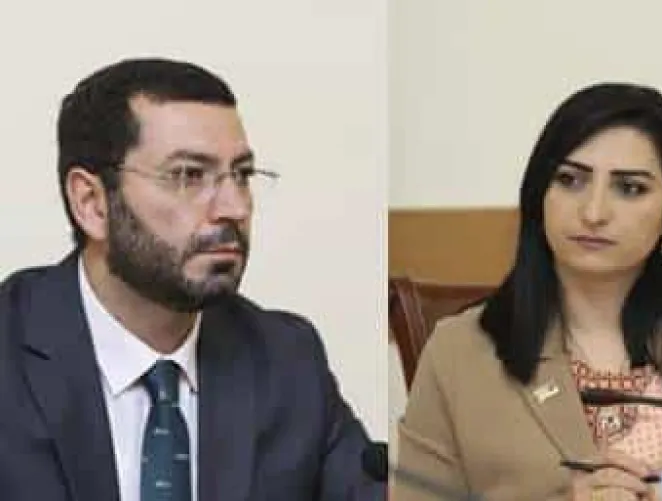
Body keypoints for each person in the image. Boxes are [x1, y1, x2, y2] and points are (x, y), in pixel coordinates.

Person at [0, 58, 385, 501]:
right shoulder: (11, 351)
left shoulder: (285, 360)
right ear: (92, 202)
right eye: (188, 175)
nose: (234, 208)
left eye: (242, 175)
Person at [393, 83, 662, 500]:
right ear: (539, 197)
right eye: (570, 180)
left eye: (629, 188)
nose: (593, 213)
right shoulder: (458, 354)